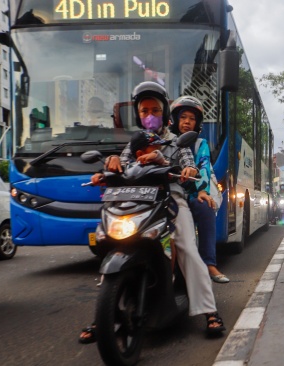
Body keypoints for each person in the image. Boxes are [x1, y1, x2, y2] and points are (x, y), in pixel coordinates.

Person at [79, 82, 225, 344]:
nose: (149, 115)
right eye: (144, 110)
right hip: (135, 202)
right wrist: (108, 167)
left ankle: (208, 310)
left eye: (155, 110)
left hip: (170, 201)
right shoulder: (133, 143)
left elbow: (189, 168)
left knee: (188, 250)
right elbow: (121, 165)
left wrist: (176, 166)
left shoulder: (177, 141)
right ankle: (104, 314)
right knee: (112, 244)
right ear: (138, 114)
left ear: (165, 111)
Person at [169, 95, 230, 284]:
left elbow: (203, 165)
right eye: (183, 117)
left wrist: (203, 191)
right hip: (166, 193)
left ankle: (209, 263)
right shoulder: (165, 139)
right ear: (174, 120)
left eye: (192, 118)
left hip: (191, 192)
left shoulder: (199, 144)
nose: (187, 122)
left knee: (204, 208)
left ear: (198, 123)